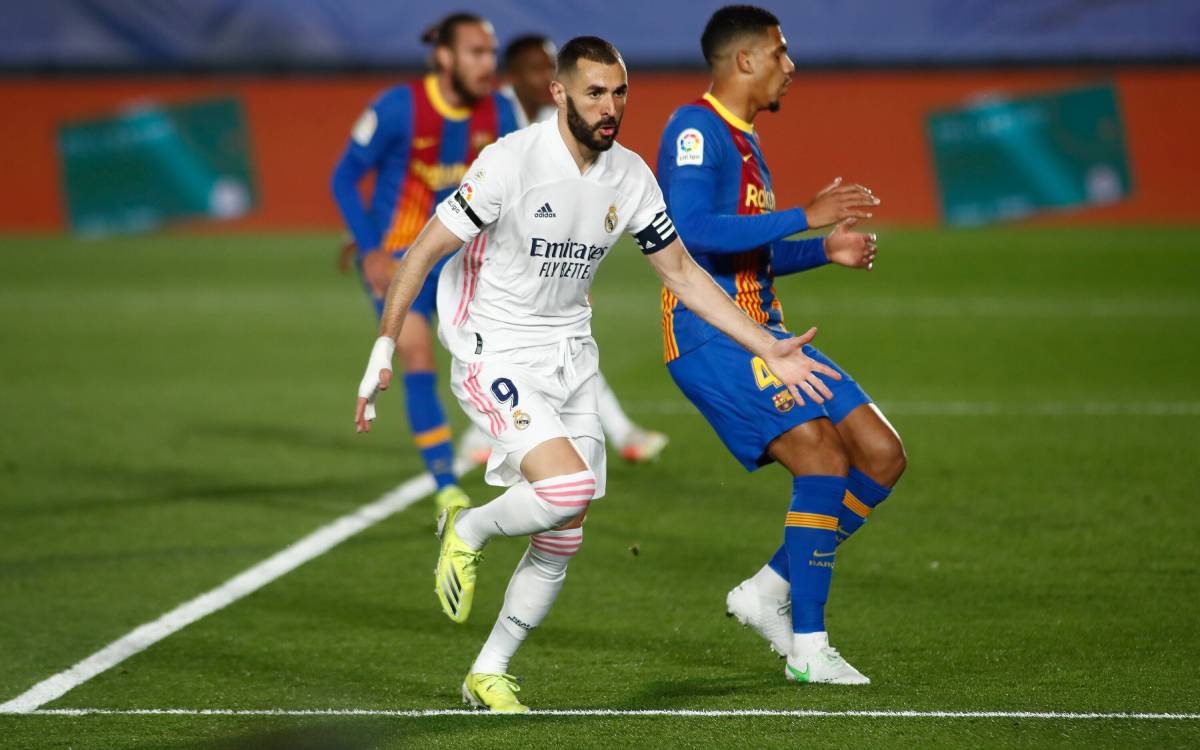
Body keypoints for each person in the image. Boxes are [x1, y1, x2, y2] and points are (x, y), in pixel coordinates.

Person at [355, 36, 843, 712]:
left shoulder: (630, 176)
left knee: (564, 530)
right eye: (594, 93)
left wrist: (765, 345)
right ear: (559, 94)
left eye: (619, 93)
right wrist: (384, 348)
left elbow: (681, 273)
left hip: (570, 355)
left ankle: (487, 672)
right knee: (566, 488)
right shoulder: (511, 163)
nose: (610, 107)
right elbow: (418, 254)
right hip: (492, 347)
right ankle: (465, 529)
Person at [656, 5, 907, 685]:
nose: (790, 65)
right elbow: (691, 231)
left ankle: (767, 590)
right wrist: (804, 215)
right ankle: (808, 647)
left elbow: (751, 257)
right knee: (822, 459)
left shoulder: (746, 142)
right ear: (744, 60)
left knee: (881, 456)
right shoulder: (693, 130)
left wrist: (822, 249)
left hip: (765, 332)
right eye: (780, 52)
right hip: (711, 335)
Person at [331, 13, 518, 516]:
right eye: (476, 53)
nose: (487, 64)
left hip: (470, 263)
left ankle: (516, 449)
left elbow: (522, 189)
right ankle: (445, 486)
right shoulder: (398, 108)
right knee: (415, 355)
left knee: (507, 356)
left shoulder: (500, 112)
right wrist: (370, 246)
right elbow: (344, 177)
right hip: (399, 260)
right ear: (445, 56)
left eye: (491, 53)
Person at [498, 33, 670, 463]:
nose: (548, 74)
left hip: (530, 256)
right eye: (538, 67)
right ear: (515, 74)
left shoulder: (547, 115)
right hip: (489, 261)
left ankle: (616, 431)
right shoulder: (494, 117)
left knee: (562, 348)